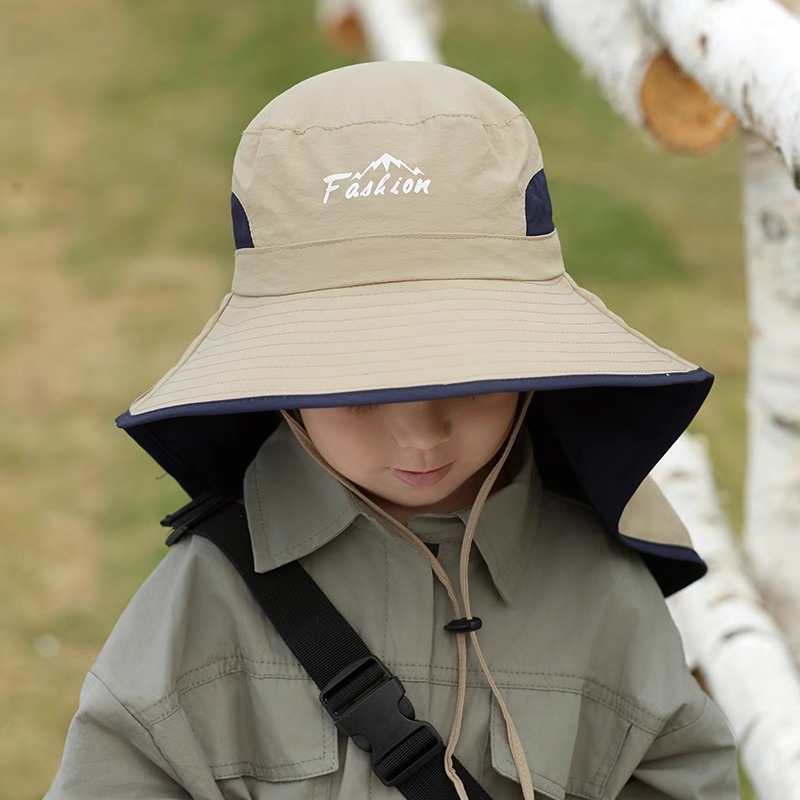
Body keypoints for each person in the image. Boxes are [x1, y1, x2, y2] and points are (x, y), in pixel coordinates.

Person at [46, 61, 739, 799]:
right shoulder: (202, 607)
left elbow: (677, 773)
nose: (421, 437)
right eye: (359, 391)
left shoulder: (604, 596)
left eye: (472, 380)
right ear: (281, 387)